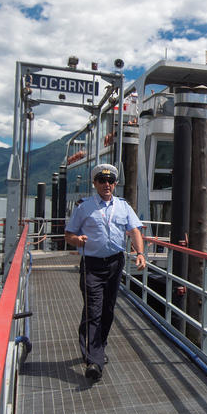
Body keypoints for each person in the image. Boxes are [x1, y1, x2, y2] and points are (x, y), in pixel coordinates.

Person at [65, 163, 146, 381]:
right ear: (95, 183)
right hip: (91, 264)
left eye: (110, 181)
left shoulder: (123, 206)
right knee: (94, 310)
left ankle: (96, 348)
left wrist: (140, 253)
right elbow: (68, 234)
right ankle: (94, 361)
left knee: (107, 310)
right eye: (102, 180)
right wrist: (77, 240)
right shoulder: (84, 207)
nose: (106, 184)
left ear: (115, 184)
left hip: (114, 264)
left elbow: (134, 230)